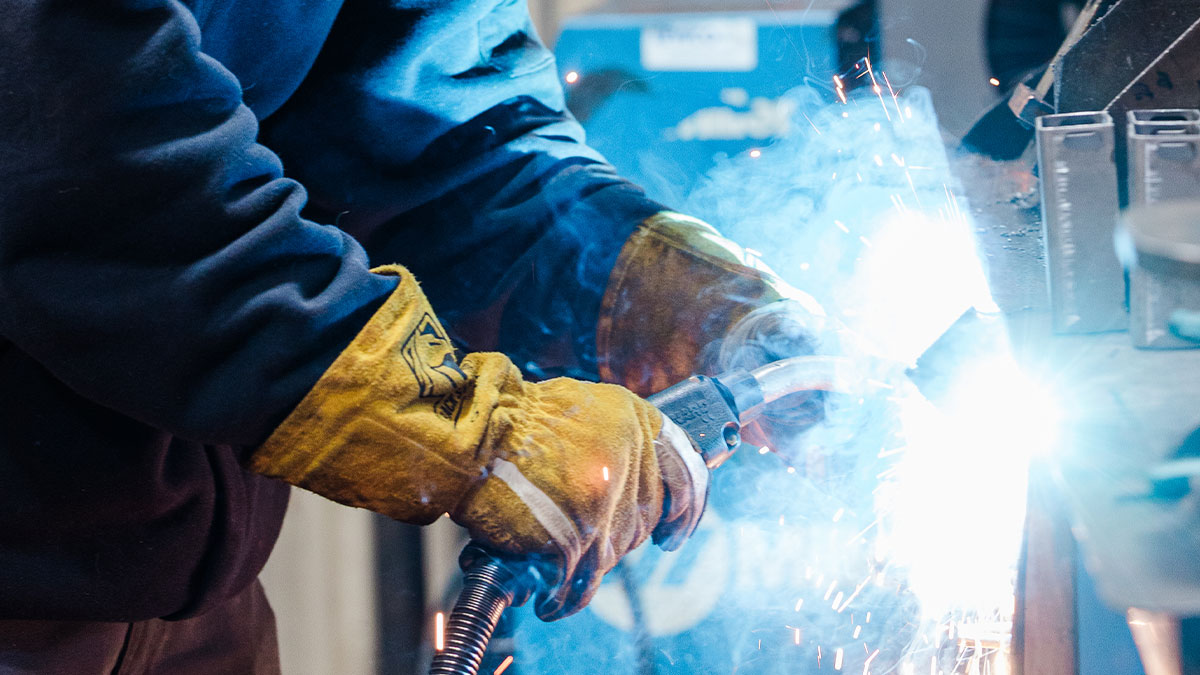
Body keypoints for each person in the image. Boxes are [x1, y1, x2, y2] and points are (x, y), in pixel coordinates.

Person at [0, 0, 824, 672]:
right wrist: (474, 430)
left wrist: (646, 283)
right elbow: (87, 153)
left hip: (185, 591)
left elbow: (427, 109)